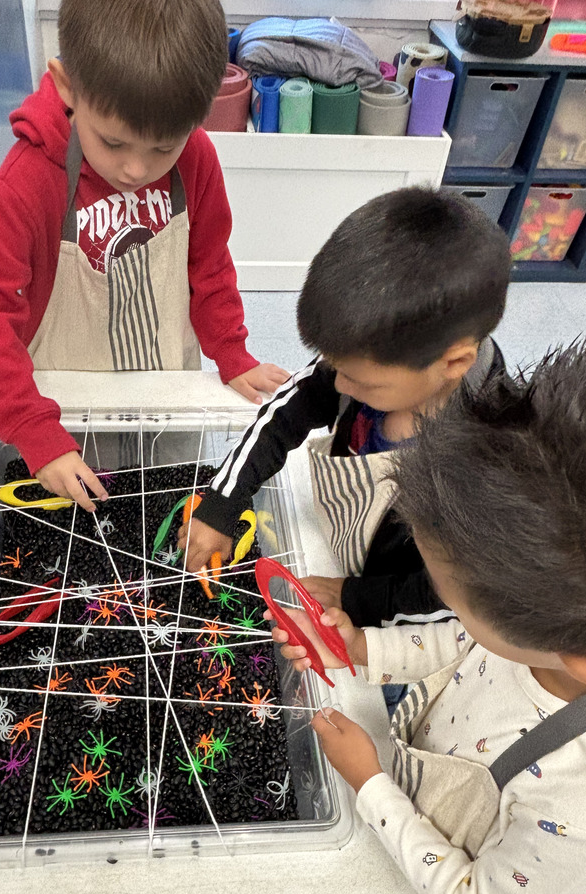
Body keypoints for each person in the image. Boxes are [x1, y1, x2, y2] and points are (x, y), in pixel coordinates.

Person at [270, 341, 586, 894]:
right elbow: (455, 643)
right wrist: (361, 646)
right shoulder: (554, 626)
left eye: (461, 599)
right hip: (412, 795)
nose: (456, 618)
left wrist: (371, 787)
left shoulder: (580, 815)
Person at [0, 0, 288, 514]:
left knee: (167, 502)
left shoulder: (196, 159)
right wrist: (31, 427)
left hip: (165, 386)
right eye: (113, 142)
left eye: (162, 147)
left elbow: (209, 263)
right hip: (63, 404)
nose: (135, 168)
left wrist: (231, 350)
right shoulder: (26, 182)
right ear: (68, 87)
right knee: (72, 525)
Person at [179, 189, 512, 700]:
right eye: (337, 370)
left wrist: (358, 598)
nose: (338, 388)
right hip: (339, 543)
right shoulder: (370, 356)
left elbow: (454, 595)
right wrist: (223, 501)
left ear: (455, 363)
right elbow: (285, 412)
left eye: (361, 383)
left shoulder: (489, 461)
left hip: (399, 619)